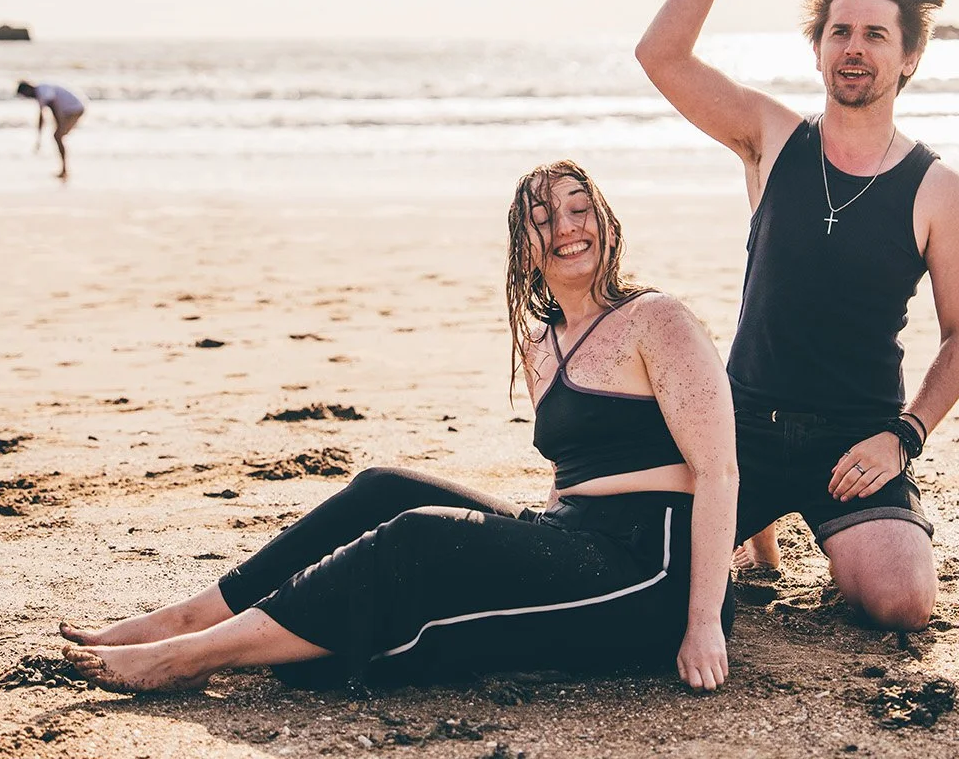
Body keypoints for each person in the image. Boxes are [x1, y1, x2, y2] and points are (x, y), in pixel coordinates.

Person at [60, 160, 739, 693]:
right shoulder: (543, 343)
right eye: (542, 219)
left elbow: (720, 470)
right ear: (523, 248)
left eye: (578, 209)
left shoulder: (656, 319)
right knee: (387, 490)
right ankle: (185, 618)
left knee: (420, 539)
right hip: (573, 535)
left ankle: (191, 656)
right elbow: (575, 473)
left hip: (655, 568)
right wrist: (532, 541)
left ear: (609, 226)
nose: (564, 227)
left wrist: (704, 622)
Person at [635, 0, 959, 631]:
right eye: (840, 33)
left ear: (910, 56)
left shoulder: (938, 189)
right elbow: (661, 55)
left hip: (856, 440)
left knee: (904, 603)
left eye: (876, 35)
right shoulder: (769, 138)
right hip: (741, 428)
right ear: (820, 49)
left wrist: (904, 435)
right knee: (645, 570)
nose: (854, 48)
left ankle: (818, 532)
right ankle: (752, 524)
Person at [16, 80, 85, 180]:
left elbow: (52, 106)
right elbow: (42, 117)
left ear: (27, 89)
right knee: (59, 137)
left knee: (58, 136)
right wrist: (39, 137)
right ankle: (64, 169)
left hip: (74, 109)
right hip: (70, 109)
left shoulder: (42, 90)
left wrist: (59, 123)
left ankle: (64, 170)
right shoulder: (41, 94)